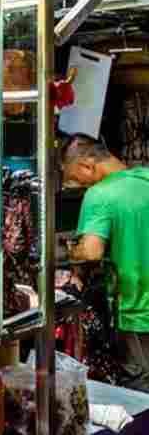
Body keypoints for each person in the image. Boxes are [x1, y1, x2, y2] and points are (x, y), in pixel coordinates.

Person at [63, 134, 149, 391]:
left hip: (136, 312)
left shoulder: (100, 194)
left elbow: (90, 252)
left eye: (75, 178)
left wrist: (72, 253)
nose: (76, 185)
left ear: (88, 165)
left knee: (140, 390)